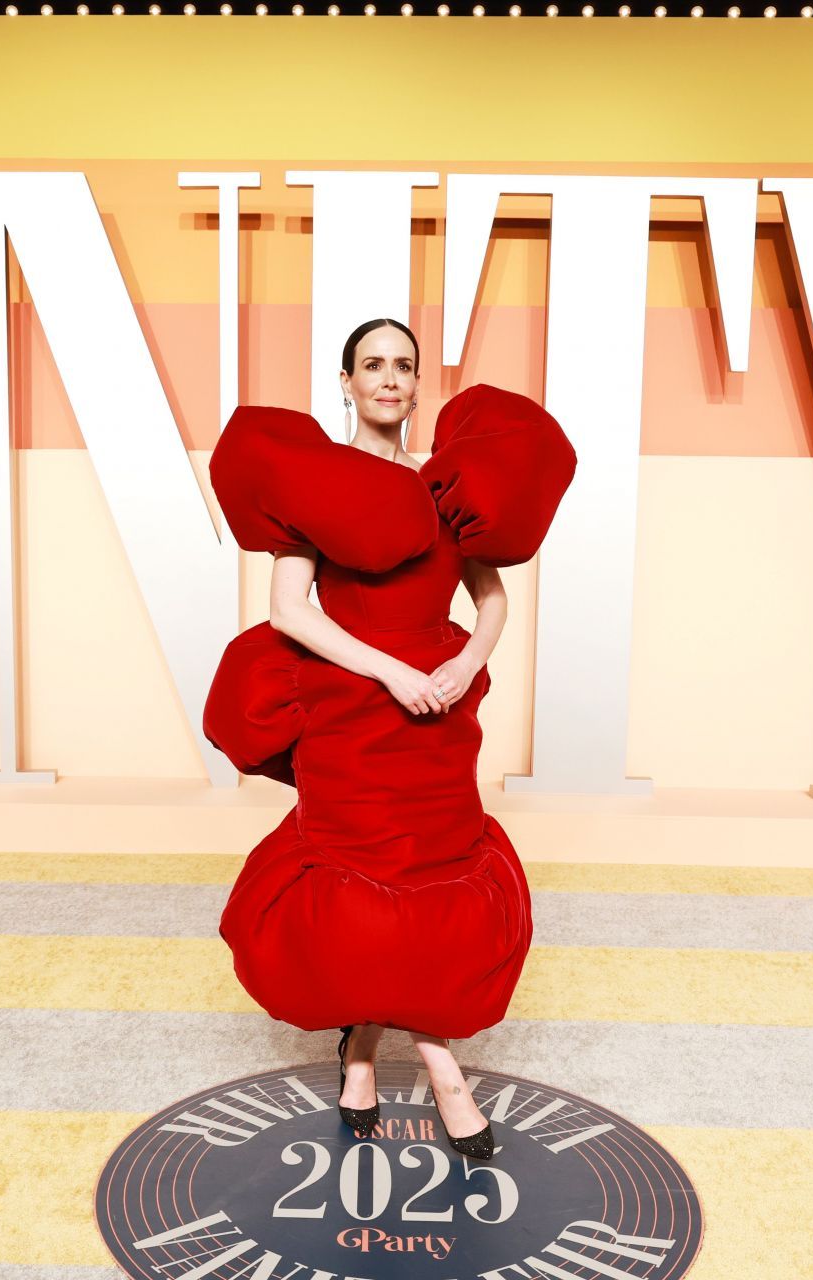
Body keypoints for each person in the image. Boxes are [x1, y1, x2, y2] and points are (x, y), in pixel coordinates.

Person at [202, 318, 576, 1161]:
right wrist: (389, 674)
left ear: (417, 384)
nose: (390, 378)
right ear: (345, 382)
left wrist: (466, 664)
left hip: (439, 718)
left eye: (404, 365)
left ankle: (363, 1051)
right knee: (366, 887)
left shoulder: (449, 484)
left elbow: (490, 600)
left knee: (433, 879)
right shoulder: (314, 482)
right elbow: (289, 611)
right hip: (354, 710)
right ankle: (443, 1073)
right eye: (372, 364)